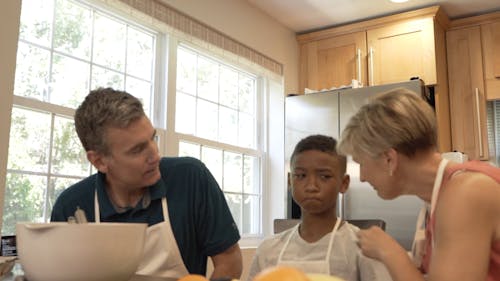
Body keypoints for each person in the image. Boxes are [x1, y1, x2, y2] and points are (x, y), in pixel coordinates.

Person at [51, 87, 243, 279]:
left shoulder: (191, 178)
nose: (155, 155)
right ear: (99, 161)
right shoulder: (70, 207)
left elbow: (229, 259)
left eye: (152, 138)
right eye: (137, 150)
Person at [338, 88, 500, 281]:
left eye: (361, 164)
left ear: (389, 159)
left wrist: (390, 252)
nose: (362, 177)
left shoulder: (466, 192)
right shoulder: (437, 197)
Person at [247, 135, 392, 281]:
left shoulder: (363, 248)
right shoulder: (268, 249)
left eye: (324, 177)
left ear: (344, 183)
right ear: (290, 181)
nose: (311, 186)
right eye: (301, 175)